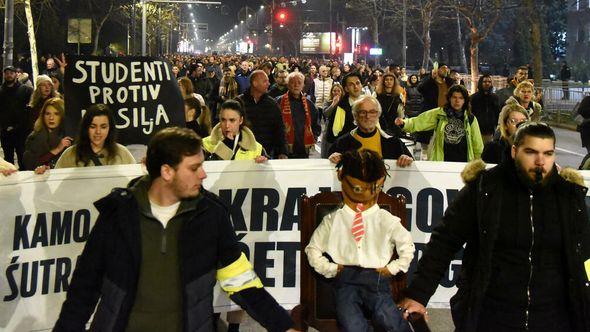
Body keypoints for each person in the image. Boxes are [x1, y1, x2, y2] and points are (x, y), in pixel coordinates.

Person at [53, 127, 298, 332]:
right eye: (193, 168)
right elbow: (83, 289)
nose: (203, 174)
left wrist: (284, 326)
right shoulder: (118, 215)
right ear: (167, 171)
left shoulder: (212, 216)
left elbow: (242, 282)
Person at [400, 122, 590, 332]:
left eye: (548, 153)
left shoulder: (569, 196)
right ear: (514, 151)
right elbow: (443, 242)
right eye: (531, 152)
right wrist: (418, 294)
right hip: (490, 315)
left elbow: (585, 255)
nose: (540, 161)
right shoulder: (484, 189)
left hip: (554, 318)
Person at [306, 149, 415, 332]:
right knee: (351, 325)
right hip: (345, 279)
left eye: (374, 188)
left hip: (377, 278)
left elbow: (407, 245)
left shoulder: (385, 219)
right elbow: (312, 249)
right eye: (358, 188)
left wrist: (393, 267)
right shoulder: (333, 221)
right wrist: (331, 269)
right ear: (342, 177)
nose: (366, 195)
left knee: (389, 320)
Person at [395, 85, 484, 162]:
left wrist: (477, 163)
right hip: (442, 162)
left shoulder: (471, 118)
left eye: (461, 98)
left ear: (465, 100)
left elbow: (477, 144)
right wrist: (404, 123)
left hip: (463, 163)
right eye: (454, 97)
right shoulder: (439, 114)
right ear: (449, 98)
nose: (457, 101)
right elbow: (420, 121)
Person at [328, 95, 413, 167]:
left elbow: (412, 166)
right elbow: (325, 170)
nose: (368, 116)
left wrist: (407, 159)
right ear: (355, 116)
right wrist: (332, 158)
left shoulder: (394, 142)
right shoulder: (341, 143)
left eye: (372, 112)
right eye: (362, 112)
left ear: (378, 115)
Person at [55, 104, 136, 168]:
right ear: (86, 127)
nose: (98, 132)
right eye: (93, 127)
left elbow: (135, 182)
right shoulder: (70, 154)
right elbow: (55, 182)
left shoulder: (122, 153)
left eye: (103, 127)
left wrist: (144, 167)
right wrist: (44, 175)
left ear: (110, 128)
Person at [237, 70, 288, 159]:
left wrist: (282, 151)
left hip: (266, 153)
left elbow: (279, 128)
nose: (269, 84)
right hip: (242, 153)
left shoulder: (272, 104)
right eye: (265, 81)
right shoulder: (239, 102)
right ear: (255, 83)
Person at [203, 99, 267, 163]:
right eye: (223, 120)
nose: (227, 125)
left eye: (232, 120)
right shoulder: (205, 144)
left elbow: (270, 169)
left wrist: (264, 165)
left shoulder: (257, 149)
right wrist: (224, 148)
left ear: (241, 120)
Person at [276, 72, 320, 158]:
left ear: (303, 85)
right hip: (283, 150)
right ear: (287, 84)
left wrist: (313, 136)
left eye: (299, 82)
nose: (296, 85)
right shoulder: (279, 102)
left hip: (303, 149)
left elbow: (316, 124)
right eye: (293, 82)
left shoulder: (309, 104)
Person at [23, 97, 72, 171]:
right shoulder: (34, 138)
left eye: (56, 114)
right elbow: (30, 165)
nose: (51, 118)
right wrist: (57, 149)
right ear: (43, 116)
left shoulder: (68, 136)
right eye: (47, 114)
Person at [416, 63, 454, 157]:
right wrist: (431, 78)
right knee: (426, 148)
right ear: (437, 70)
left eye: (446, 67)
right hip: (430, 117)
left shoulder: (450, 83)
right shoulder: (429, 81)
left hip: (445, 118)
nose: (446, 70)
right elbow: (420, 88)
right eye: (443, 68)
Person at [0, 66, 33, 167]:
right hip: (5, 132)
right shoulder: (1, 91)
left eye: (11, 73)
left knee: (22, 158)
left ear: (16, 74)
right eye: (7, 73)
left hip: (21, 132)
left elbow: (30, 109)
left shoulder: (25, 90)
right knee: (8, 160)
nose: (9, 75)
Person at [326, 72, 365, 144]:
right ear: (346, 89)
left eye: (358, 83)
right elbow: (334, 134)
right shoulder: (341, 107)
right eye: (351, 84)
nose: (355, 87)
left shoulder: (368, 103)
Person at [470, 74, 501, 143]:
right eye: (485, 82)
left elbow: (497, 113)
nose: (487, 83)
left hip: (490, 132)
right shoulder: (473, 98)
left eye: (489, 82)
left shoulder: (495, 98)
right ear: (481, 83)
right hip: (476, 130)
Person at [320, 84, 345, 158]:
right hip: (329, 129)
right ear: (331, 92)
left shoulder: (344, 102)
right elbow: (326, 114)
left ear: (341, 92)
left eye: (338, 91)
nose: (336, 92)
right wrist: (333, 104)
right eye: (334, 91)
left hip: (341, 129)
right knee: (327, 151)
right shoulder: (327, 101)